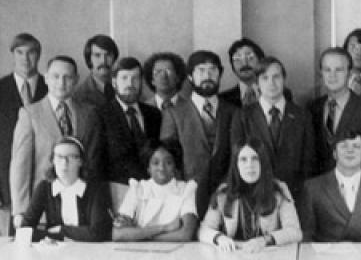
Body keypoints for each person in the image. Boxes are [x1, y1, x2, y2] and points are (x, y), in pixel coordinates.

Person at [199, 138, 302, 260]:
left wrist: (265, 240)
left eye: (255, 159)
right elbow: (203, 230)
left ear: (263, 163)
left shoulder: (278, 190)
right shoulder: (224, 193)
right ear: (236, 165)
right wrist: (219, 238)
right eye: (243, 159)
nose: (250, 165)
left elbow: (295, 232)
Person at [102, 141, 203, 260]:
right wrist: (165, 227)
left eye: (168, 162)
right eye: (155, 162)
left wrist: (138, 235)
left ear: (175, 166)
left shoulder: (186, 189)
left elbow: (185, 234)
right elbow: (118, 234)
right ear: (148, 168)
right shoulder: (138, 188)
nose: (161, 167)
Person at [16, 136, 112, 260]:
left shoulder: (95, 189)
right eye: (59, 157)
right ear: (52, 161)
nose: (64, 163)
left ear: (81, 161)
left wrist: (61, 230)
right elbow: (25, 231)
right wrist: (61, 236)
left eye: (71, 157)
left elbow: (98, 233)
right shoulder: (44, 188)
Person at [10, 55, 102, 221]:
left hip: (81, 207)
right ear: (46, 78)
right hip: (43, 208)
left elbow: (92, 162)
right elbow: (20, 166)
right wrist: (21, 211)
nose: (61, 82)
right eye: (56, 76)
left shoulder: (89, 114)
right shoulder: (30, 113)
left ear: (76, 80)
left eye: (67, 77)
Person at [0, 32, 47, 236]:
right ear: (13, 55)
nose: (26, 59)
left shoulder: (51, 87)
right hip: (5, 183)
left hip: (44, 181)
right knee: (9, 242)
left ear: (39, 55)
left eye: (31, 52)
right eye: (20, 52)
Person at [160, 50, 238, 217]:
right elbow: (168, 159)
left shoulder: (233, 112)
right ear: (190, 76)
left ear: (220, 74)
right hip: (188, 195)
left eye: (212, 70)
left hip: (226, 195)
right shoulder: (174, 113)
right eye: (201, 70)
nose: (207, 75)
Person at [230, 56, 314, 208]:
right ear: (257, 83)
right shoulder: (243, 116)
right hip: (255, 197)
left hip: (294, 197)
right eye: (265, 77)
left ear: (284, 79)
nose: (271, 83)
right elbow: (237, 161)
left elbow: (308, 163)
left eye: (276, 77)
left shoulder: (302, 116)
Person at [309, 47, 361, 181]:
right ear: (321, 73)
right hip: (321, 192)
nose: (332, 75)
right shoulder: (313, 108)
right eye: (327, 69)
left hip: (357, 192)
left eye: (339, 69)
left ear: (349, 72)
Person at [301, 130, 361, 243]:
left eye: (356, 146)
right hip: (326, 259)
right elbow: (307, 238)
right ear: (334, 154)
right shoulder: (313, 188)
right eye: (344, 146)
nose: (350, 150)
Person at [99, 57, 162, 203]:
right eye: (124, 78)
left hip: (152, 195)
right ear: (114, 82)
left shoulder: (154, 114)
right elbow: (95, 163)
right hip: (118, 194)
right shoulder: (100, 115)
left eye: (135, 78)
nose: (130, 83)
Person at [219, 38, 292, 107]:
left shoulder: (282, 93)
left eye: (250, 58)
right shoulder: (223, 100)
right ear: (232, 66)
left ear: (260, 60)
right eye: (237, 59)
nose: (244, 63)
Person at [73, 34, 119, 108]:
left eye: (108, 55)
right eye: (97, 55)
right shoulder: (80, 96)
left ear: (114, 58)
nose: (103, 61)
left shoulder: (122, 85)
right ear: (89, 60)